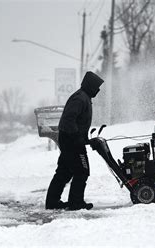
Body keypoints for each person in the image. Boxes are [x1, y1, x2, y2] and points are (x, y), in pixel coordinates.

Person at [45, 71, 104, 210]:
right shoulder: (80, 98)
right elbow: (68, 120)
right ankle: (75, 202)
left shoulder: (84, 97)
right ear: (89, 86)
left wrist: (84, 138)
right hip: (71, 141)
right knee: (82, 171)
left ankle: (52, 202)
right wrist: (77, 137)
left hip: (71, 140)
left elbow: (77, 121)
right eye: (96, 87)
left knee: (64, 172)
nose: (98, 90)